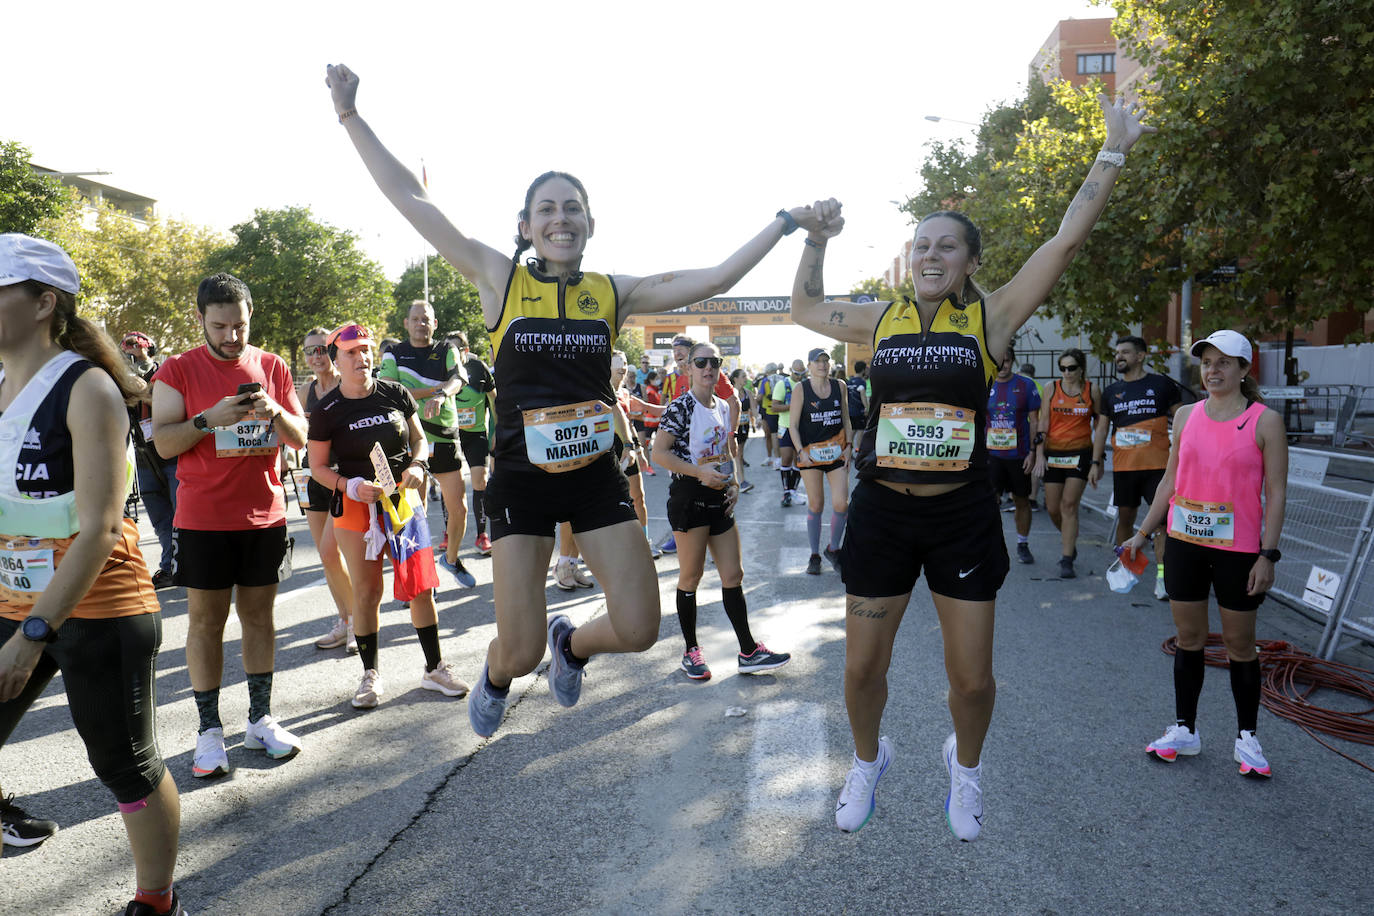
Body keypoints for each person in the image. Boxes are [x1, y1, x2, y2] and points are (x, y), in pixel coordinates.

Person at [326, 62, 825, 739]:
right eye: (547, 209)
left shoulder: (611, 292)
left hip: (594, 478)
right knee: (518, 646)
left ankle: (575, 646)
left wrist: (784, 222)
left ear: (590, 222)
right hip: (522, 483)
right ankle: (500, 676)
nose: (560, 218)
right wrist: (352, 117)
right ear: (527, 225)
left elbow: (715, 275)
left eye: (572, 208)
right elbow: (414, 203)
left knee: (641, 627)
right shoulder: (498, 278)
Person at [790, 96, 1154, 839]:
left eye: (946, 246)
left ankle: (966, 770)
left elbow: (1064, 242)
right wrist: (817, 239)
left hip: (959, 514)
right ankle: (869, 761)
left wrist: (1111, 151)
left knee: (973, 680)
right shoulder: (877, 319)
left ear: (970, 262)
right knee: (860, 672)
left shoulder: (991, 320)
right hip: (885, 510)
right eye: (921, 244)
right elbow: (804, 304)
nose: (929, 255)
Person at [0, 234, 185, 915]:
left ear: (43, 301)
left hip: (98, 604)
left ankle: (157, 900)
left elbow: (102, 525)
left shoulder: (87, 388)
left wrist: (33, 632)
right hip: (18, 597)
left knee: (124, 763)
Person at [151, 272, 309, 777]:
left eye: (238, 325)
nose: (231, 337)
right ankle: (208, 730)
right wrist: (207, 420)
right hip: (203, 519)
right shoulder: (176, 371)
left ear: (249, 317)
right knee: (205, 622)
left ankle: (260, 719)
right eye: (219, 326)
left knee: (259, 618)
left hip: (264, 514)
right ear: (200, 319)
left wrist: (275, 410)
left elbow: (300, 436)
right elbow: (162, 444)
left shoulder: (271, 365)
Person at [1122, 330, 1286, 778]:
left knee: (1238, 645)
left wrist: (1267, 555)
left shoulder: (1264, 420)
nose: (1213, 371)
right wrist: (1142, 533)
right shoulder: (1187, 415)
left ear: (1244, 370)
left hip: (1239, 551)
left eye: (1224, 363)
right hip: (1184, 544)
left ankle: (1247, 738)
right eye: (1207, 363)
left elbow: (1275, 490)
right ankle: (1185, 730)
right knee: (1189, 640)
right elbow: (1169, 481)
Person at [307, 323, 468, 708]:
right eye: (351, 353)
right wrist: (349, 486)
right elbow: (317, 467)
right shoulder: (327, 410)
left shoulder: (395, 393)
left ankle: (434, 668)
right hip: (356, 508)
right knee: (367, 592)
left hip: (402, 503)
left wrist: (416, 464)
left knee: (420, 586)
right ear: (336, 359)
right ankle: (369, 676)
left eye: (365, 351)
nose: (361, 358)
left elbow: (420, 439)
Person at [652, 342, 790, 680]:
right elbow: (659, 454)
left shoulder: (723, 407)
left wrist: (733, 486)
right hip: (689, 497)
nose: (708, 368)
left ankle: (748, 651)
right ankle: (691, 652)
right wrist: (699, 473)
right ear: (690, 368)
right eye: (701, 362)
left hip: (719, 498)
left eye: (714, 362)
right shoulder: (680, 407)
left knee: (733, 575)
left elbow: (725, 452)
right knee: (691, 577)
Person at [379, 300, 477, 587]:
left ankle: (451, 558)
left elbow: (459, 378)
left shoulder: (447, 350)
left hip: (445, 435)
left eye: (426, 319)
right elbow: (391, 389)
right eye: (416, 319)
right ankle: (421, 576)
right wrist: (433, 389)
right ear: (406, 324)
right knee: (415, 510)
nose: (421, 323)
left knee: (458, 507)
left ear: (435, 324)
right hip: (409, 440)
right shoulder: (394, 353)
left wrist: (442, 394)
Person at [1092, 335, 1183, 600]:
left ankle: (1163, 578)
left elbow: (1183, 420)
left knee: (1162, 524)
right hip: (1124, 468)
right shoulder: (1111, 391)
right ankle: (1126, 567)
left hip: (1158, 468)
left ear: (1141, 356)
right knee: (1126, 519)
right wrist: (1096, 462)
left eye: (1125, 352)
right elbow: (1101, 429)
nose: (1119, 356)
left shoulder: (1161, 384)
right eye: (1117, 353)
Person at [295, 327, 358, 654]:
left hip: (342, 476)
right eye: (310, 351)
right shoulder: (306, 390)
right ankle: (344, 620)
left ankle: (358, 623)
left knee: (335, 551)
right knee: (325, 554)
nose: (316, 356)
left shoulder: (345, 384)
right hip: (312, 476)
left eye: (321, 349)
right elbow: (297, 434)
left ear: (332, 352)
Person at [1034, 347, 1101, 579]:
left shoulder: (1092, 391)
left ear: (1081, 368)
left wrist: (1096, 461)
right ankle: (1069, 540)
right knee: (1053, 508)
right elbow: (1043, 422)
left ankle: (1066, 558)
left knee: (1069, 506)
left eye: (1071, 368)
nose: (1066, 372)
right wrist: (1039, 454)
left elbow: (1101, 424)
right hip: (1053, 453)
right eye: (1062, 368)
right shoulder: (1052, 389)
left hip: (1080, 453)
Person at [121, 331, 178, 590]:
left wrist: (140, 391)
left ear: (149, 349)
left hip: (172, 454)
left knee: (183, 516)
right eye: (127, 349)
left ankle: (188, 565)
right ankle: (170, 567)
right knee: (161, 520)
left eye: (136, 347)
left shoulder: (165, 373)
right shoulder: (120, 379)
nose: (131, 353)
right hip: (143, 458)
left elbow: (162, 401)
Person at [790, 347, 852, 575]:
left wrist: (849, 447)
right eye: (818, 362)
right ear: (809, 366)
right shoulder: (801, 389)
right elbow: (793, 426)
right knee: (816, 504)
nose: (822, 365)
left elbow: (846, 418)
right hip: (810, 454)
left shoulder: (839, 386)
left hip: (836, 453)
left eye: (826, 361)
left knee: (842, 503)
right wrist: (800, 451)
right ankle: (814, 555)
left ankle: (833, 549)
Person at [987, 345, 1042, 564]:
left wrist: (1033, 452)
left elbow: (1035, 421)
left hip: (1019, 455)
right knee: (989, 502)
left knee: (1022, 501)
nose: (1003, 365)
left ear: (1013, 362)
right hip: (992, 456)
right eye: (999, 361)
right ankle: (990, 545)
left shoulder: (1026, 386)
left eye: (1007, 361)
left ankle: (1022, 543)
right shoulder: (985, 385)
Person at [448, 330, 497, 556]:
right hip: (451, 436)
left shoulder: (479, 369)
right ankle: (449, 534)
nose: (450, 353)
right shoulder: (443, 369)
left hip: (476, 435)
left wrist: (498, 431)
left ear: (465, 351)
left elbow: (495, 401)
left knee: (481, 481)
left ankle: (481, 535)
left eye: (455, 349)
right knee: (452, 487)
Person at [773, 359, 804, 506]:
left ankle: (793, 491)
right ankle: (786, 492)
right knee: (786, 459)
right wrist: (792, 406)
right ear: (791, 370)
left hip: (801, 428)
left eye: (802, 373)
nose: (799, 376)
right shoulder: (782, 384)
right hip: (785, 426)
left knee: (799, 460)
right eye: (797, 373)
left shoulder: (805, 384)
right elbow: (775, 407)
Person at [730, 368, 756, 492]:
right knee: (737, 455)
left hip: (744, 428)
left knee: (738, 455)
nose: (746, 379)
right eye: (743, 376)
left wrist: (756, 421)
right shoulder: (730, 394)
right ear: (735, 379)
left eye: (746, 376)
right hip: (732, 428)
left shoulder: (748, 393)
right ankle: (741, 481)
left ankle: (736, 481)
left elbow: (753, 410)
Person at [757, 363, 781, 467]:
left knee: (770, 435)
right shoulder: (783, 379)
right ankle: (777, 458)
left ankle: (774, 458)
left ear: (767, 371)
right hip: (781, 409)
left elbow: (759, 397)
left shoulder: (764, 381)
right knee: (777, 434)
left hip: (767, 410)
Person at [846, 360, 870, 453]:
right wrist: (867, 408)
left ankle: (848, 450)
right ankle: (859, 451)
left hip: (849, 411)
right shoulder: (861, 382)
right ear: (863, 370)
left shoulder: (849, 381)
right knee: (860, 432)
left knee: (851, 432)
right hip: (859, 411)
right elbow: (863, 396)